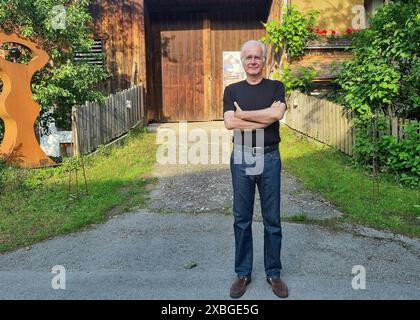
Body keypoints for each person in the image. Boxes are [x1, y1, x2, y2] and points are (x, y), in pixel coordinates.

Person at [223, 40, 288, 299]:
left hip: (270, 157)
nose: (252, 61)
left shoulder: (276, 86)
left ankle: (273, 273)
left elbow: (278, 115)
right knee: (242, 219)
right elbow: (229, 123)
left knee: (272, 219)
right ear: (242, 61)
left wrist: (245, 116)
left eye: (257, 57)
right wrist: (265, 117)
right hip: (241, 158)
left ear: (263, 61)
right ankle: (243, 273)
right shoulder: (232, 90)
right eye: (248, 57)